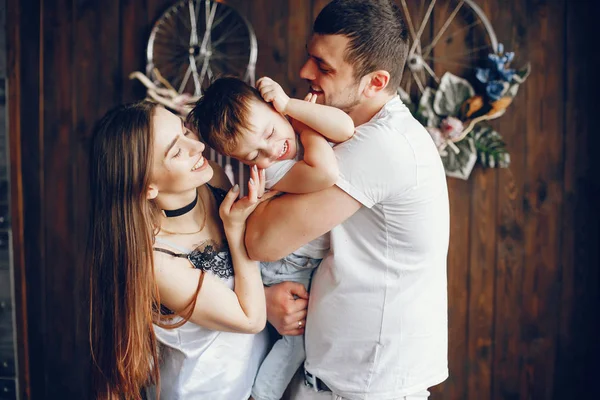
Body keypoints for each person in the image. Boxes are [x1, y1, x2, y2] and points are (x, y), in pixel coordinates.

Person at [245, 1, 450, 399]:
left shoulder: (382, 146)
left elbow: (261, 240)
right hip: (332, 376)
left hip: (368, 388)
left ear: (375, 82)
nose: (305, 73)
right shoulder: (352, 134)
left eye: (324, 67)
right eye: (310, 57)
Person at [87, 101, 275, 399]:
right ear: (148, 187)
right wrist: (235, 232)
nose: (197, 146)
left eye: (185, 129)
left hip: (253, 382)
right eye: (176, 151)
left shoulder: (209, 178)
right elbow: (250, 319)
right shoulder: (158, 261)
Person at [187, 75, 355, 400]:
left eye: (270, 133)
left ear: (272, 105)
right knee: (294, 345)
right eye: (252, 156)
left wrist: (295, 108)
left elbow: (346, 128)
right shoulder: (274, 171)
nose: (271, 151)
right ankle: (261, 395)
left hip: (299, 261)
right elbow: (326, 172)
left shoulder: (294, 127)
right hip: (286, 267)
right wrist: (300, 121)